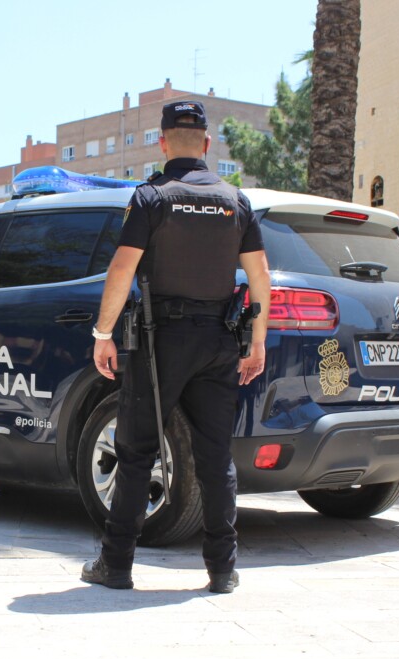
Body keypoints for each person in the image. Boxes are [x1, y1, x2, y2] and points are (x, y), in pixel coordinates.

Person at [81, 100, 271, 593]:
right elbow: (259, 278)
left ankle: (116, 564)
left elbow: (122, 270)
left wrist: (103, 334)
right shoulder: (236, 201)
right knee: (215, 457)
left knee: (137, 449)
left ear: (162, 143)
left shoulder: (152, 197)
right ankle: (222, 571)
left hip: (161, 339)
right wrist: (258, 343)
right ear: (208, 145)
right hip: (218, 341)